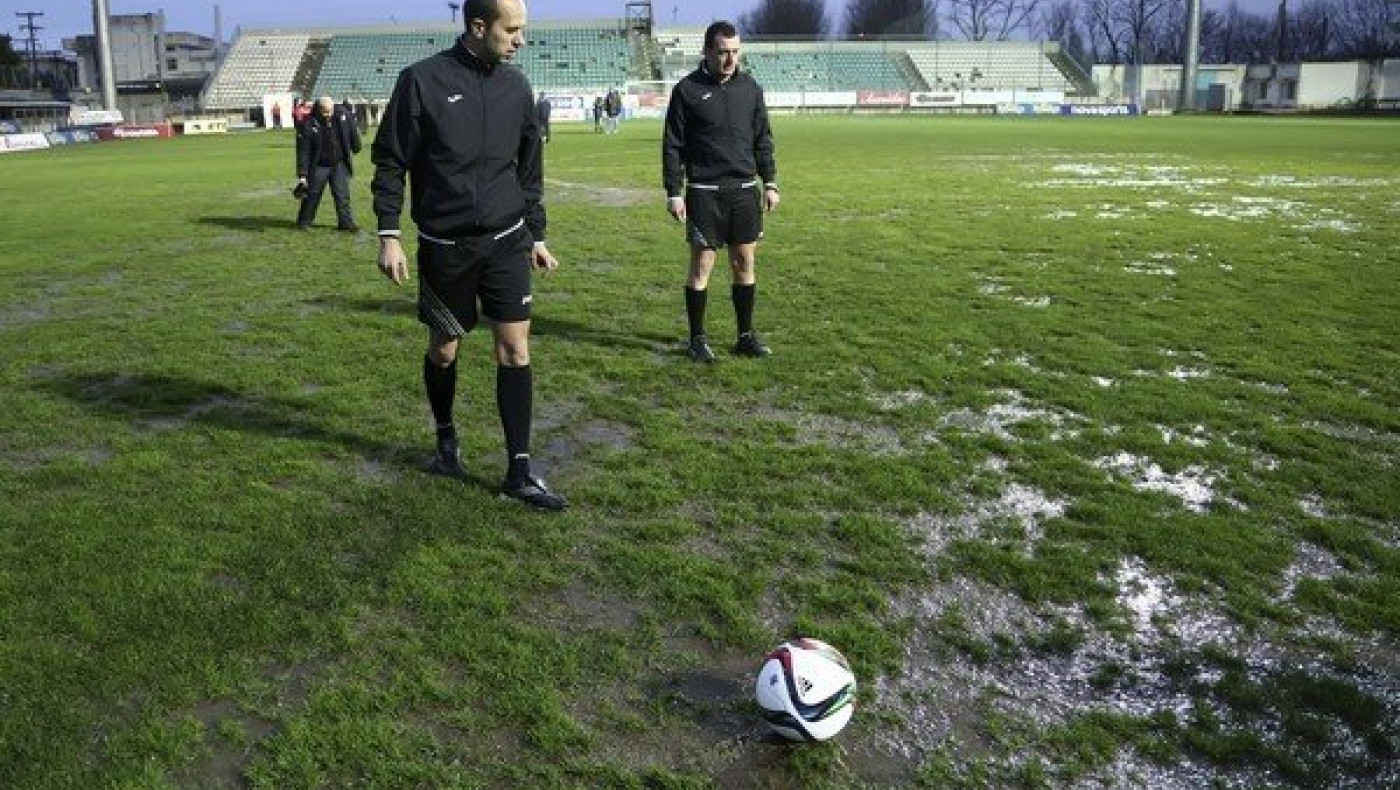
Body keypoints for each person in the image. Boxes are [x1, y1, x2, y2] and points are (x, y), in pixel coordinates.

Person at [370, 0, 566, 511]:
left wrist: (537, 235)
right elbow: (390, 160)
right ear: (479, 26)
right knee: (444, 350)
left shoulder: (517, 86)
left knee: (515, 349)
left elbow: (529, 171)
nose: (521, 39)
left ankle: (519, 471)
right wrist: (389, 233)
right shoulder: (421, 81)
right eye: (512, 29)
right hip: (446, 248)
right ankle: (445, 439)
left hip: (507, 241)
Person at [662, 20, 779, 363]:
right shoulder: (687, 90)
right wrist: (674, 191)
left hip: (744, 190)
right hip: (705, 192)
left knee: (744, 263)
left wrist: (770, 182)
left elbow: (763, 139)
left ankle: (745, 336)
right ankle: (697, 340)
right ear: (706, 51)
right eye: (723, 52)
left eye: (735, 52)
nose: (730, 59)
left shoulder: (750, 89)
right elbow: (672, 145)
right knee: (702, 266)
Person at [295, 96, 362, 231]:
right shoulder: (308, 123)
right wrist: (303, 175)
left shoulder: (343, 115)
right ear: (319, 109)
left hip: (339, 163)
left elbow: (352, 131)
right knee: (312, 194)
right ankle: (304, 221)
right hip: (319, 164)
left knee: (342, 194)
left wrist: (356, 146)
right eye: (325, 112)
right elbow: (303, 151)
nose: (329, 114)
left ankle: (345, 223)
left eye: (330, 111)